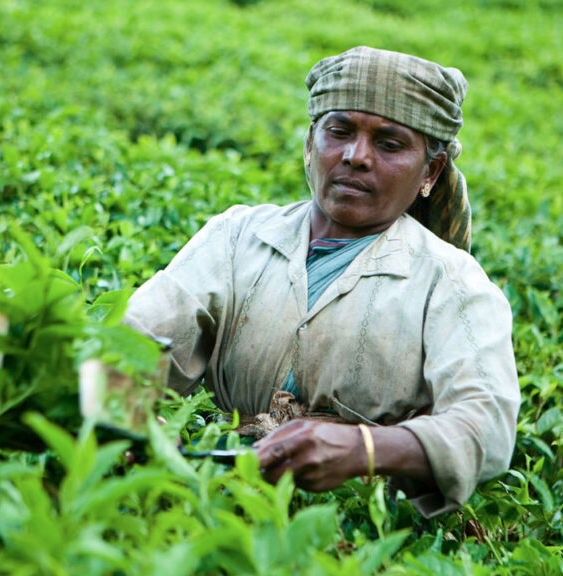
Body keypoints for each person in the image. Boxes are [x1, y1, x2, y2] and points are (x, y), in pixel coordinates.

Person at [124, 46, 520, 517]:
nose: (356, 157)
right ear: (311, 143)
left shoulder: (451, 282)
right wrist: (128, 409)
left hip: (364, 529)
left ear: (429, 173)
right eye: (339, 131)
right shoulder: (237, 237)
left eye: (389, 144)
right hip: (213, 501)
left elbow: (486, 427)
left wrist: (364, 450)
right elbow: (135, 339)